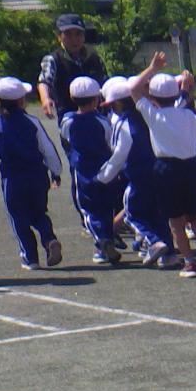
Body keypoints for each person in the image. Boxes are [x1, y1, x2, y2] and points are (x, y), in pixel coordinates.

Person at [130, 58, 196, 278]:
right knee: (194, 217)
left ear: (152, 97)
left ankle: (190, 263)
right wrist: (186, 92)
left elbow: (133, 89)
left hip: (166, 168)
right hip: (191, 167)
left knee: (176, 222)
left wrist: (152, 68)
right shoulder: (187, 114)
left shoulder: (153, 115)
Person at [0, 78, 64, 269]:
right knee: (39, 213)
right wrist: (56, 172)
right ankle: (49, 239)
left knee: (18, 217)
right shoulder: (32, 122)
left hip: (13, 178)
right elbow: (48, 149)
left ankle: (30, 257)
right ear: (21, 101)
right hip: (37, 176)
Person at [59, 74, 128, 264]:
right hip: (104, 169)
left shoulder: (68, 120)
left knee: (88, 210)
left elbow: (66, 139)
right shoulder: (103, 121)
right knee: (106, 208)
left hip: (82, 170)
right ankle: (103, 246)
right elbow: (111, 143)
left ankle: (102, 240)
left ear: (72, 98)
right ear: (97, 99)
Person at [106, 75, 170, 265]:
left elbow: (117, 152)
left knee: (133, 212)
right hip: (158, 171)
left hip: (137, 174)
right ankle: (169, 254)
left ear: (117, 104)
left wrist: (104, 176)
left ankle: (153, 241)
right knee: (158, 214)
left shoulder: (122, 123)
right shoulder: (150, 115)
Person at [35, 14, 107, 125]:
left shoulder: (93, 58)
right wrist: (45, 99)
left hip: (98, 116)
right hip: (69, 118)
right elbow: (44, 82)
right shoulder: (54, 59)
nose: (74, 39)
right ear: (59, 37)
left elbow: (105, 82)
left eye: (78, 34)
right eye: (68, 34)